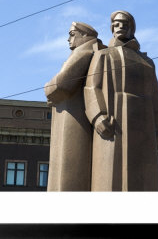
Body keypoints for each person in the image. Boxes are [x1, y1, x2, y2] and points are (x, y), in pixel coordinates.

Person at [84, 11, 158, 191]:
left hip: (144, 125)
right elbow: (91, 88)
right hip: (114, 121)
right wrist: (98, 117)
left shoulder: (147, 62)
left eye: (124, 24)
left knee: (144, 177)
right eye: (116, 24)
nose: (120, 27)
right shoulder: (103, 55)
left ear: (132, 29)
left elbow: (156, 98)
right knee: (112, 176)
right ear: (112, 28)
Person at [44, 22, 105, 191]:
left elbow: (62, 84)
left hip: (72, 118)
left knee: (67, 169)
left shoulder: (84, 52)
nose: (68, 39)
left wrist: (47, 89)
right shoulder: (87, 51)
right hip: (70, 114)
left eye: (72, 34)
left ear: (85, 36)